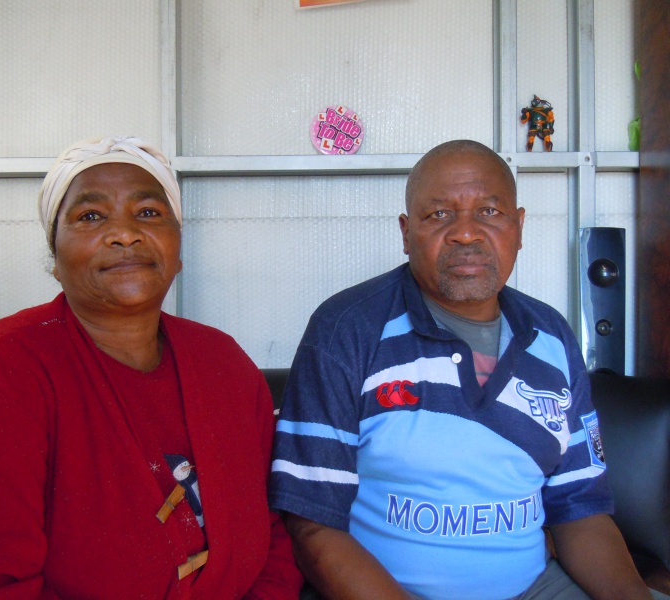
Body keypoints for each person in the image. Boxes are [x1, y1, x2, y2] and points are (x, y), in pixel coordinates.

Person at [0, 137, 303, 599]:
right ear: (55, 258)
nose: (125, 233)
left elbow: (271, 538)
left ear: (177, 249)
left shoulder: (225, 366)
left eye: (148, 213)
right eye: (91, 217)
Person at [269, 140, 662, 600]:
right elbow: (312, 524)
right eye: (439, 215)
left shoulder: (550, 336)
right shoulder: (346, 328)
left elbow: (580, 508)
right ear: (405, 231)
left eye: (490, 213)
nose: (466, 233)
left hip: (535, 587)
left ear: (518, 226)